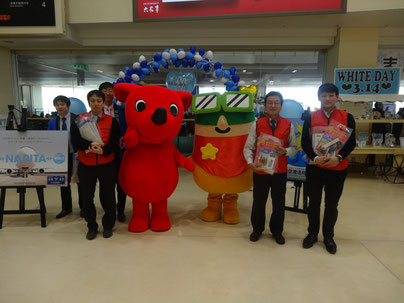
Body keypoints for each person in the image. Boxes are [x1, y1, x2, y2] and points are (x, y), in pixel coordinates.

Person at [301, 83, 356, 254]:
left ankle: (329, 237)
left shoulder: (347, 117)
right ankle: (312, 234)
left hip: (337, 168)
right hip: (315, 168)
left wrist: (338, 158)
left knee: (332, 204)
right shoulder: (310, 116)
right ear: (319, 97)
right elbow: (304, 142)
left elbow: (351, 143)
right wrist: (315, 158)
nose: (327, 98)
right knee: (314, 203)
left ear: (337, 97)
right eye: (324, 95)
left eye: (331, 95)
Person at [244, 91, 298, 245]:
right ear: (265, 105)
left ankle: (277, 231)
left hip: (280, 171)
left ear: (281, 105)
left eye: (276, 102)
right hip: (260, 169)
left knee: (279, 203)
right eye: (270, 102)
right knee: (259, 201)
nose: (273, 105)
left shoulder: (288, 124)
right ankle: (257, 229)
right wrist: (250, 162)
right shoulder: (257, 123)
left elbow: (294, 147)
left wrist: (285, 151)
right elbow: (248, 148)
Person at [71, 90, 120, 240]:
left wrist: (103, 151)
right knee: (87, 197)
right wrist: (90, 145)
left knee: (108, 197)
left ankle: (108, 225)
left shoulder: (112, 121)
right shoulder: (80, 120)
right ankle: (91, 226)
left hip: (106, 164)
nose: (96, 104)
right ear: (88, 102)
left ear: (104, 102)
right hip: (87, 164)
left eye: (99, 101)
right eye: (93, 101)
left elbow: (114, 143)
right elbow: (75, 140)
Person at [48, 95, 83, 218]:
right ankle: (66, 208)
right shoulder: (52, 122)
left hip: (77, 155)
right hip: (61, 157)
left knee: (80, 182)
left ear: (68, 105)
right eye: (57, 105)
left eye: (62, 104)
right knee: (63, 183)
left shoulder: (77, 119)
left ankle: (83, 208)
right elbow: (50, 140)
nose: (60, 107)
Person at [99, 82, 127, 222]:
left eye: (110, 90)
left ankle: (120, 210)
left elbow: (127, 128)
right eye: (105, 90)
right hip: (103, 153)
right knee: (106, 185)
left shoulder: (121, 110)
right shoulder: (96, 111)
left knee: (122, 184)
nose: (108, 93)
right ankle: (109, 211)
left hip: (120, 152)